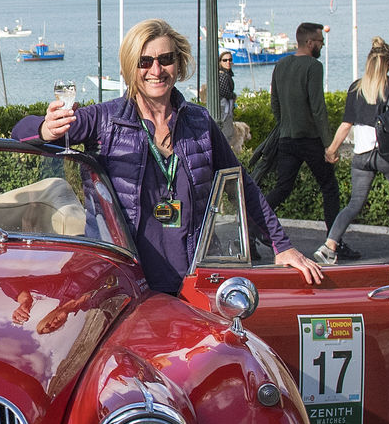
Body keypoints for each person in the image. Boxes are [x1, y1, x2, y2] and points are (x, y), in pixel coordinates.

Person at [30, 19, 323, 294]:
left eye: (166, 59)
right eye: (144, 61)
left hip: (192, 283)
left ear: (179, 63)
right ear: (130, 67)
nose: (156, 70)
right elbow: (23, 133)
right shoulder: (105, 120)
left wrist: (282, 246)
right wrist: (45, 128)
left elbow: (240, 184)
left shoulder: (199, 121)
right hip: (124, 285)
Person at [316, 37, 389, 266]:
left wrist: (331, 150)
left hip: (361, 154)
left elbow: (346, 125)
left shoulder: (356, 88)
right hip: (387, 154)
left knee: (354, 203)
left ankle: (329, 246)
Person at [259, 22, 341, 234]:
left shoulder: (281, 64)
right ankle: (334, 241)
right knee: (329, 188)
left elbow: (274, 103)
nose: (322, 45)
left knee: (282, 188)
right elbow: (318, 108)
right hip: (310, 139)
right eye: (320, 41)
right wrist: (329, 145)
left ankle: (253, 226)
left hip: (286, 138)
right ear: (310, 42)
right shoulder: (314, 66)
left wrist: (285, 124)